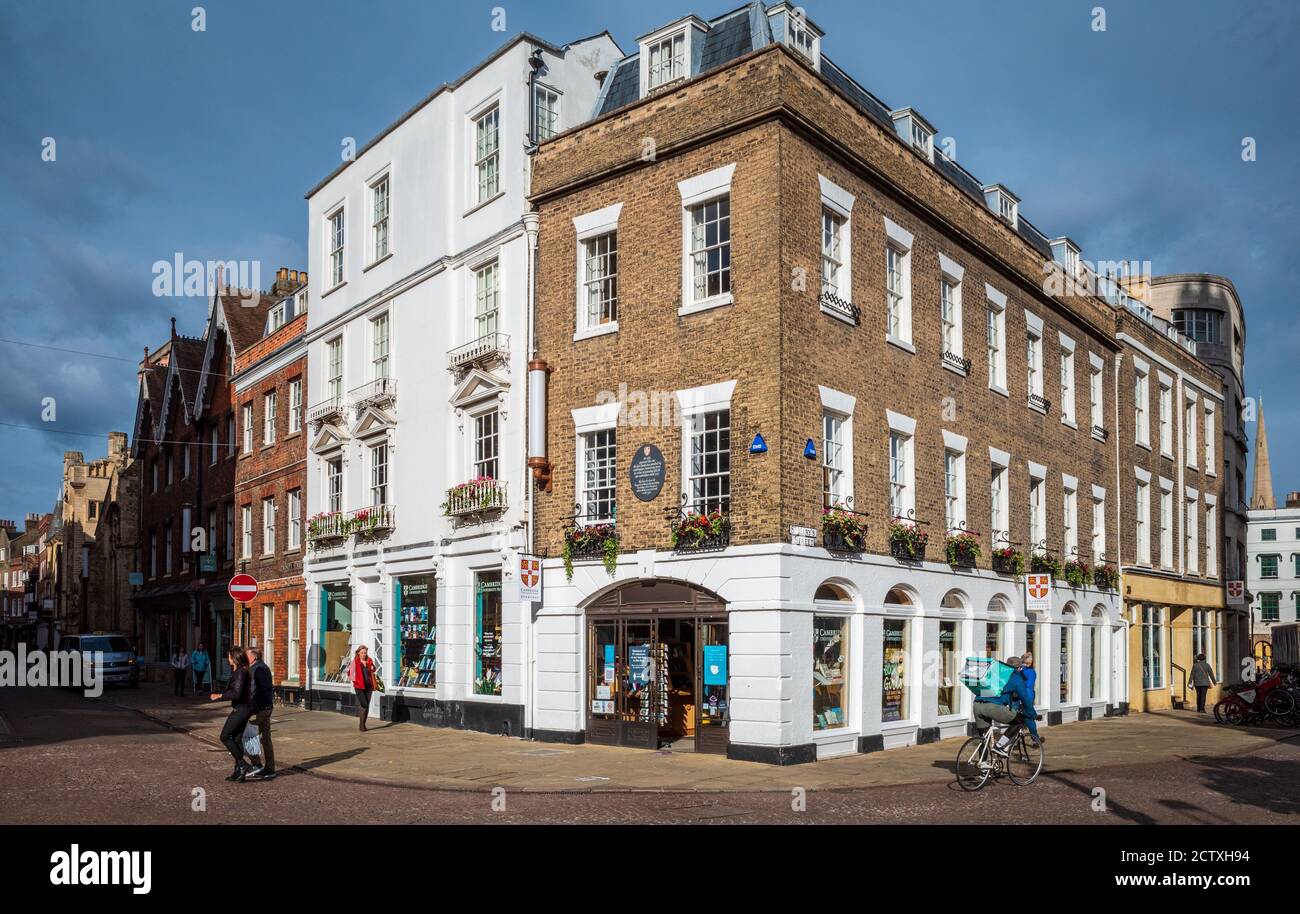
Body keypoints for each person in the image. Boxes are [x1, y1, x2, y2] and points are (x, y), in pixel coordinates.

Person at [209, 647, 254, 782]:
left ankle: (242, 763)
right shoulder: (240, 671)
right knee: (236, 738)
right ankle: (239, 772)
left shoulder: (241, 672)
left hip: (241, 709)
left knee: (225, 736)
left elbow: (237, 693)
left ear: (234, 657)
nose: (227, 658)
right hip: (243, 708)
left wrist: (220, 696)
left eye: (229, 656)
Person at [244, 646, 276, 780]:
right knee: (266, 739)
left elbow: (254, 690)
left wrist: (248, 704)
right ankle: (269, 769)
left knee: (243, 734)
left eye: (247, 656)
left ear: (254, 657)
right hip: (267, 707)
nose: (245, 658)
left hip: (259, 709)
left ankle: (256, 764)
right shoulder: (263, 667)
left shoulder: (256, 669)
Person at [349, 645, 378, 732]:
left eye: (365, 653)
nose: (364, 654)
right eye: (362, 653)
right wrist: (356, 682)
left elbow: (373, 669)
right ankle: (362, 724)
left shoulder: (369, 661)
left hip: (369, 686)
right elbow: (350, 674)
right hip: (359, 687)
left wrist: (373, 668)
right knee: (364, 704)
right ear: (358, 653)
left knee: (366, 705)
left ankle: (362, 724)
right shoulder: (355, 662)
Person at [1019, 651, 1042, 747]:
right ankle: (1035, 739)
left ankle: (1014, 741)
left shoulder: (1019, 671)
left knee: (1017, 718)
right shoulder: (1031, 672)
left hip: (1017, 697)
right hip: (1027, 697)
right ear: (1030, 661)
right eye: (1031, 659)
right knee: (1029, 718)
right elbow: (1029, 685)